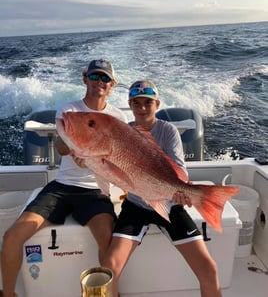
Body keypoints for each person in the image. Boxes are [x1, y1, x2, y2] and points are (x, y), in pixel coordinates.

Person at [0, 59, 127, 297]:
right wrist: (75, 150)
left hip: (95, 191)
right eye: (95, 76)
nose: (99, 82)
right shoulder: (69, 110)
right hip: (62, 187)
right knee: (12, 236)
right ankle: (8, 294)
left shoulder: (118, 117)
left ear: (112, 85)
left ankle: (112, 294)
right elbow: (61, 146)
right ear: (85, 79)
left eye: (105, 78)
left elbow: (119, 158)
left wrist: (95, 161)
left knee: (108, 241)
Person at [102, 80, 222, 297]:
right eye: (136, 103)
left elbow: (178, 168)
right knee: (109, 268)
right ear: (130, 105)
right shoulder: (124, 132)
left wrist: (182, 192)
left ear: (157, 104)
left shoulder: (168, 131)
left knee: (209, 269)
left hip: (171, 203)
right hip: (136, 206)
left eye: (147, 103)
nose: (142, 108)